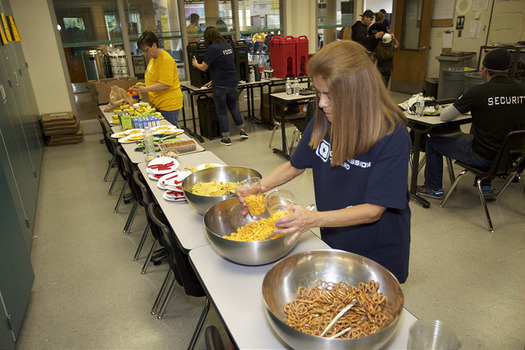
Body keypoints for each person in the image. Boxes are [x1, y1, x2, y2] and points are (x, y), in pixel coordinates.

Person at [239, 40, 412, 283]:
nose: (321, 103)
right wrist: (259, 187)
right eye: (319, 93)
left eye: (330, 95)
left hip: (376, 249)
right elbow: (294, 165)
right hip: (335, 236)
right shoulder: (325, 119)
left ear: (357, 91)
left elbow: (374, 210)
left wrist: (313, 219)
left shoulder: (391, 134)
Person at [417, 48, 525, 201]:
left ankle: (433, 188)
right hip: (511, 158)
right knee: (482, 125)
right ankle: (485, 184)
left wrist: (466, 102)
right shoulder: (521, 89)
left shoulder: (479, 92)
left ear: (484, 70)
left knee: (433, 143)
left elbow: (446, 115)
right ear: (506, 70)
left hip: (483, 157)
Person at [192, 27, 249, 146]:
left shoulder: (212, 48)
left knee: (222, 110)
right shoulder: (227, 45)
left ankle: (226, 138)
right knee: (233, 106)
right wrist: (214, 79)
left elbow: (203, 67)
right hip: (232, 81)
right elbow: (225, 65)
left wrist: (195, 63)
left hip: (221, 85)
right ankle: (242, 131)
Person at [134, 31, 183, 127]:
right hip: (158, 103)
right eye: (142, 51)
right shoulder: (153, 59)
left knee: (168, 133)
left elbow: (164, 84)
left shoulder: (165, 60)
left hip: (168, 104)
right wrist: (143, 86)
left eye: (146, 50)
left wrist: (144, 89)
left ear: (154, 45)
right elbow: (155, 80)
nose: (145, 54)